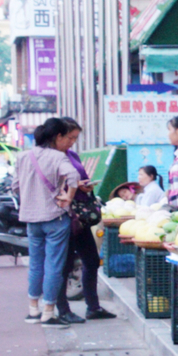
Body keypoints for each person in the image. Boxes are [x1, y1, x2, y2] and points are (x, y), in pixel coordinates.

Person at [17, 116, 78, 325]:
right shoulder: (58, 157)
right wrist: (68, 197)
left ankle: (33, 310)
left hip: (31, 219)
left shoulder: (23, 156)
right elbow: (74, 177)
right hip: (55, 217)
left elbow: (15, 187)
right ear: (58, 136)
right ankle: (48, 311)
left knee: (36, 264)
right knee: (53, 265)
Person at [53, 119, 114, 322]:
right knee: (66, 263)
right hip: (64, 216)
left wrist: (83, 186)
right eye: (70, 138)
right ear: (58, 136)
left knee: (91, 260)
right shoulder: (52, 157)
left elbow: (78, 178)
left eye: (75, 138)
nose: (72, 142)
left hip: (81, 216)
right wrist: (74, 186)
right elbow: (51, 186)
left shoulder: (72, 155)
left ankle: (93, 307)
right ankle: (63, 310)